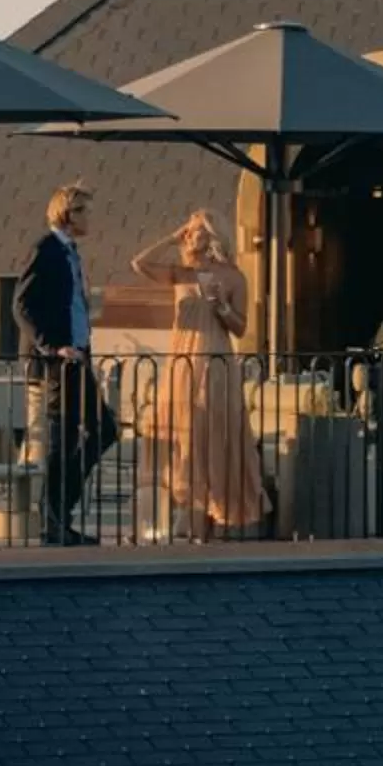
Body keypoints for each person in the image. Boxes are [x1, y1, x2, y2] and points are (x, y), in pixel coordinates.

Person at [132, 211, 264, 540]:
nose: (189, 237)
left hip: (213, 359)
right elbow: (139, 263)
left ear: (212, 237)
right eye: (187, 232)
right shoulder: (182, 273)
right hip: (180, 361)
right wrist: (171, 237)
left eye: (194, 232)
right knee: (177, 434)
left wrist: (221, 306)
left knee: (208, 433)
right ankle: (181, 513)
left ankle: (209, 517)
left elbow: (241, 327)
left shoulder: (234, 277)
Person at [14, 183, 114, 545]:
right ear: (67, 214)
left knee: (103, 431)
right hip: (60, 362)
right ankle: (54, 523)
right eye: (84, 211)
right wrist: (51, 347)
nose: (91, 218)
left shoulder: (71, 253)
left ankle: (58, 512)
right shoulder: (46, 250)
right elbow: (21, 304)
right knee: (62, 440)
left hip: (78, 357)